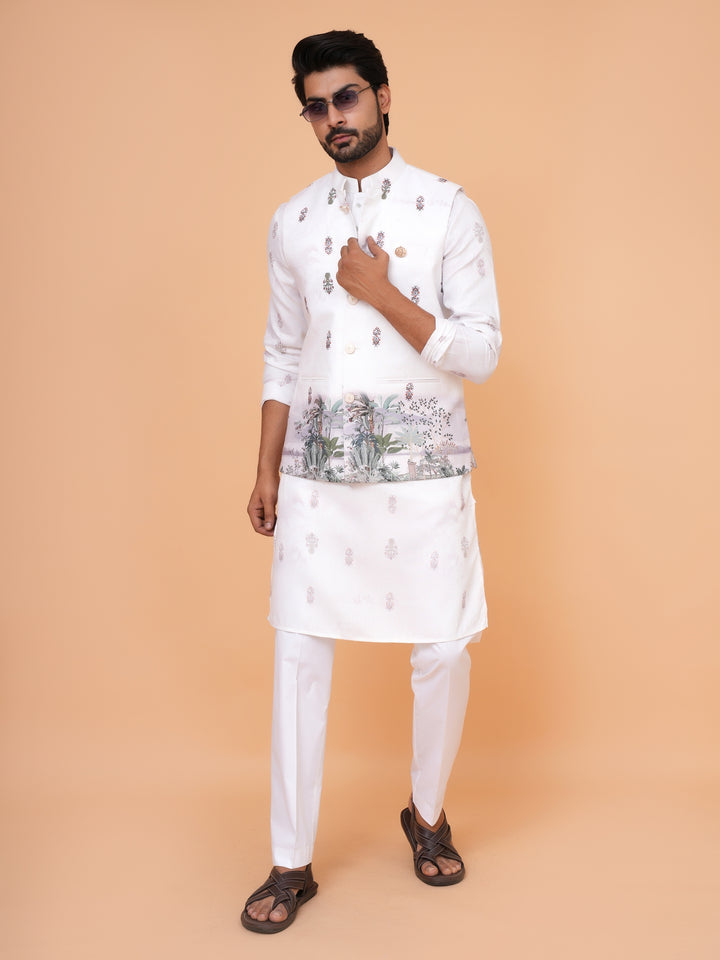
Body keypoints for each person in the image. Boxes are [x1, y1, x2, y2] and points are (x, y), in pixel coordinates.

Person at [241, 29, 501, 934]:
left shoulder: (447, 209)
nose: (331, 119)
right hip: (316, 483)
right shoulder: (291, 220)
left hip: (423, 478)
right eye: (315, 104)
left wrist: (383, 293)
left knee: (441, 652)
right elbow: (281, 355)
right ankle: (289, 862)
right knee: (297, 658)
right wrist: (267, 467)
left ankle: (426, 816)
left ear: (384, 97)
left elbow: (483, 349)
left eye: (345, 98)